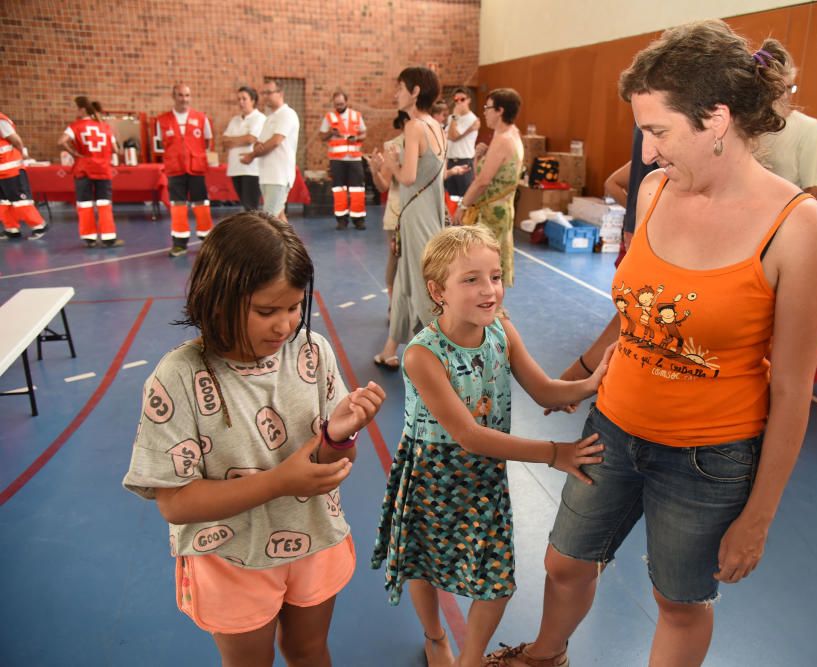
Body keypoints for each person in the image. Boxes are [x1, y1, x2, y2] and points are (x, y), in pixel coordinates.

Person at [488, 20, 817, 667]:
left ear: (718, 119)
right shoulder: (652, 193)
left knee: (677, 602)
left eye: (658, 130)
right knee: (564, 561)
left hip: (708, 458)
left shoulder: (798, 227)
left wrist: (756, 517)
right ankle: (545, 654)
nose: (646, 148)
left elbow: (792, 387)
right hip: (613, 428)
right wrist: (582, 370)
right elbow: (640, 311)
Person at [123, 211, 386, 667]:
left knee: (309, 651)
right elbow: (175, 503)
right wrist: (281, 481)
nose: (285, 325)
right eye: (267, 311)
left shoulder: (312, 351)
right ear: (218, 299)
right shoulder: (179, 376)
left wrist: (339, 437)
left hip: (312, 538)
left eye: (294, 307)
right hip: (229, 557)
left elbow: (326, 464)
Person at [371, 225, 611, 667]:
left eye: (496, 277)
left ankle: (471, 659)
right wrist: (553, 453)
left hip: (484, 477)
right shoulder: (422, 354)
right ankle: (435, 636)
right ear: (437, 290)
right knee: (423, 566)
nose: (490, 290)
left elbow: (543, 390)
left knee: (497, 581)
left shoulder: (502, 332)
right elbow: (468, 434)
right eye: (471, 279)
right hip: (434, 473)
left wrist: (590, 383)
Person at [372, 66, 448, 370]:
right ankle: (390, 349)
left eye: (400, 87)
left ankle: (446, 353)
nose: (396, 93)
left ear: (415, 91)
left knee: (421, 284)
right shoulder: (437, 127)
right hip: (424, 214)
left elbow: (408, 176)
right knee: (403, 283)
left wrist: (391, 162)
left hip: (416, 217)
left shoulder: (414, 126)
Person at [457, 88, 524, 286]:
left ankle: (488, 311)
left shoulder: (503, 139)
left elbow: (482, 181)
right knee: (488, 264)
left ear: (500, 110)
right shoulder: (509, 134)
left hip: (492, 213)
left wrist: (463, 206)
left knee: (485, 267)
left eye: (488, 108)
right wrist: (480, 156)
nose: (484, 112)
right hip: (499, 208)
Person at [753, 41, 817, 198]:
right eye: (778, 89)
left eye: (789, 88)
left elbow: (813, 191)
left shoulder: (808, 128)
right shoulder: (747, 125)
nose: (785, 96)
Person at [155, 84, 214, 257]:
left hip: (196, 168)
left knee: (201, 204)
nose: (184, 99)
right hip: (175, 169)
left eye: (187, 95)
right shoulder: (162, 120)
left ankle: (207, 241)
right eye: (180, 95)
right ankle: (179, 243)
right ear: (173, 96)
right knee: (178, 206)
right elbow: (160, 144)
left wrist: (198, 157)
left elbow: (207, 141)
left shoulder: (201, 118)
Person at [58, 97, 123, 247]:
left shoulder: (75, 126)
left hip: (83, 170)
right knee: (104, 203)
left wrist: (74, 153)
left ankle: (90, 239)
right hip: (103, 169)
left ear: (82, 109)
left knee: (85, 204)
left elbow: (61, 141)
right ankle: (108, 238)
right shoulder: (104, 127)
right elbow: (115, 149)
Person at [365, 111, 408, 319]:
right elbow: (383, 186)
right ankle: (394, 307)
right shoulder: (394, 146)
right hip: (397, 215)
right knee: (395, 260)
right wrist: (375, 171)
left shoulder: (433, 142)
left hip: (423, 216)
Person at [242, 79, 300, 223]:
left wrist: (252, 155)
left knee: (269, 220)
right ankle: (292, 245)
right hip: (267, 175)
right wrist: (257, 148)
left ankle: (274, 246)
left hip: (278, 176)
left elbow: (275, 141)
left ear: (280, 93)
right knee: (279, 217)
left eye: (269, 92)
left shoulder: (287, 114)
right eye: (264, 93)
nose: (266, 96)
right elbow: (260, 143)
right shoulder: (270, 118)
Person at [604, 125, 659, 262]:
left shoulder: (644, 157)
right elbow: (611, 184)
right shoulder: (649, 159)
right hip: (645, 237)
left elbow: (611, 184)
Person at [318, 90, 367, 230]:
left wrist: (356, 138)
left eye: (341, 103)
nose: (339, 106)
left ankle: (358, 220)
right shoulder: (329, 117)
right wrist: (330, 133)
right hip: (337, 160)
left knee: (357, 189)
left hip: (354, 159)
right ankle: (341, 220)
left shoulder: (356, 115)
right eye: (336, 104)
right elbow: (322, 136)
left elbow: (364, 133)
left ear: (346, 102)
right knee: (339, 190)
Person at [0, 111, 48, 240]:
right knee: (3, 202)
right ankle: (11, 229)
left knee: (20, 201)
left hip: (11, 168)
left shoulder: (0, 120)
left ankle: (39, 226)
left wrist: (22, 155)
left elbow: (16, 140)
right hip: (2, 170)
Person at [220, 86, 266, 211]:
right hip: (236, 168)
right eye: (239, 99)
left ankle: (255, 230)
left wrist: (233, 140)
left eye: (244, 99)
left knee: (251, 207)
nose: (241, 102)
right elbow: (224, 142)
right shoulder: (234, 120)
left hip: (251, 170)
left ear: (253, 100)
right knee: (245, 206)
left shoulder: (259, 118)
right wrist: (241, 139)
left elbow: (250, 139)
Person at [444, 87, 479, 201]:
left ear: (468, 100)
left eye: (462, 99)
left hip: (464, 161)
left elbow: (453, 136)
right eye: (456, 99)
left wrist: (454, 116)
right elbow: (449, 136)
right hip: (450, 161)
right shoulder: (451, 118)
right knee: (450, 199)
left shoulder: (471, 118)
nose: (459, 102)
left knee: (464, 199)